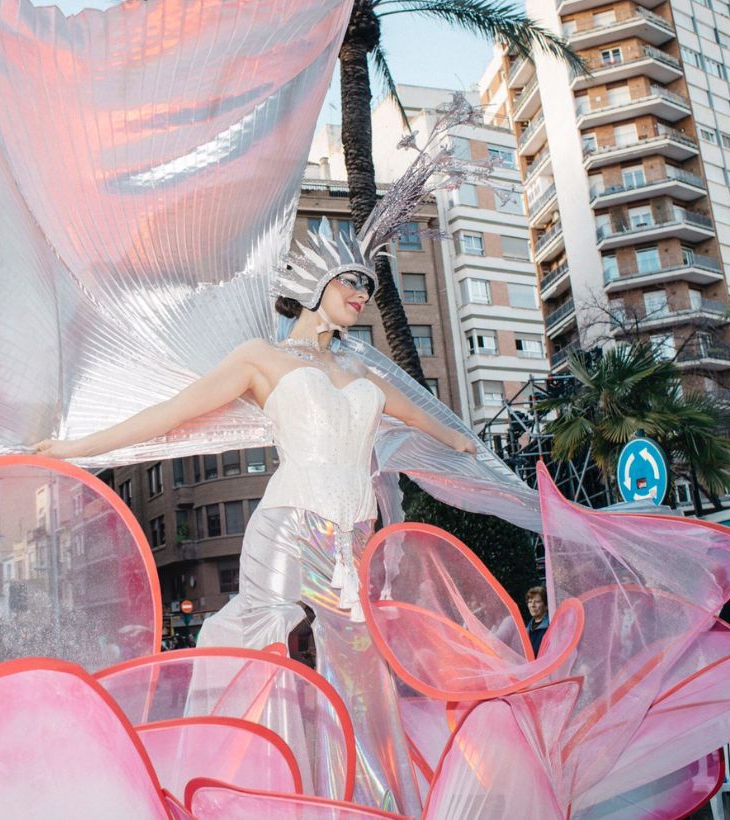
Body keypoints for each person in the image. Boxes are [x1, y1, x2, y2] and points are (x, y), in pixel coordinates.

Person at [35, 230, 491, 814]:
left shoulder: (365, 378)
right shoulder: (261, 358)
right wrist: (76, 448)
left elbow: (438, 426)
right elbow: (169, 416)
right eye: (352, 281)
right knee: (266, 651)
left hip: (352, 540)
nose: (362, 294)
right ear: (314, 285)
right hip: (287, 526)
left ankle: (370, 803)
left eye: (368, 286)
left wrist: (473, 450)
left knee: (360, 665)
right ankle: (266, 801)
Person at [526, 585, 550, 654]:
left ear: (546, 606)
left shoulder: (551, 626)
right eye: (530, 602)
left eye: (537, 602)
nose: (532, 605)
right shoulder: (526, 628)